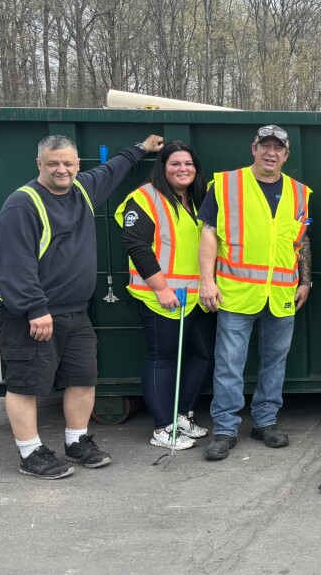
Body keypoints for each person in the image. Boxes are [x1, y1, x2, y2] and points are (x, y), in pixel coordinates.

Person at [0, 133, 164, 479]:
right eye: (53, 163)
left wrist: (141, 149)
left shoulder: (82, 189)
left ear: (78, 165)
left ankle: (77, 442)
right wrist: (35, 309)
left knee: (83, 377)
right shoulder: (22, 204)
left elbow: (113, 169)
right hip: (31, 314)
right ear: (39, 163)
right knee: (25, 383)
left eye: (68, 163)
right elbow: (14, 265)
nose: (61, 169)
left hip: (74, 310)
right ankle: (30, 454)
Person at [198, 125, 312, 461]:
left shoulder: (299, 192)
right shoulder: (226, 185)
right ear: (254, 148)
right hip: (236, 292)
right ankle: (224, 429)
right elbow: (208, 235)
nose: (271, 152)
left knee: (274, 363)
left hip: (281, 294)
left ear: (286, 155)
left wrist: (305, 280)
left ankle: (265, 422)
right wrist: (207, 280)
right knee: (229, 363)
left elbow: (301, 239)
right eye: (265, 146)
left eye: (278, 148)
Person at [116, 141, 215, 450]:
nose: (182, 168)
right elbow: (137, 246)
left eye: (188, 163)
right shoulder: (145, 198)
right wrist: (161, 288)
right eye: (175, 163)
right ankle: (162, 428)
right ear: (162, 167)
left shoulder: (197, 200)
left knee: (203, 355)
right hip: (160, 297)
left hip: (194, 296)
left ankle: (182, 414)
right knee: (163, 359)